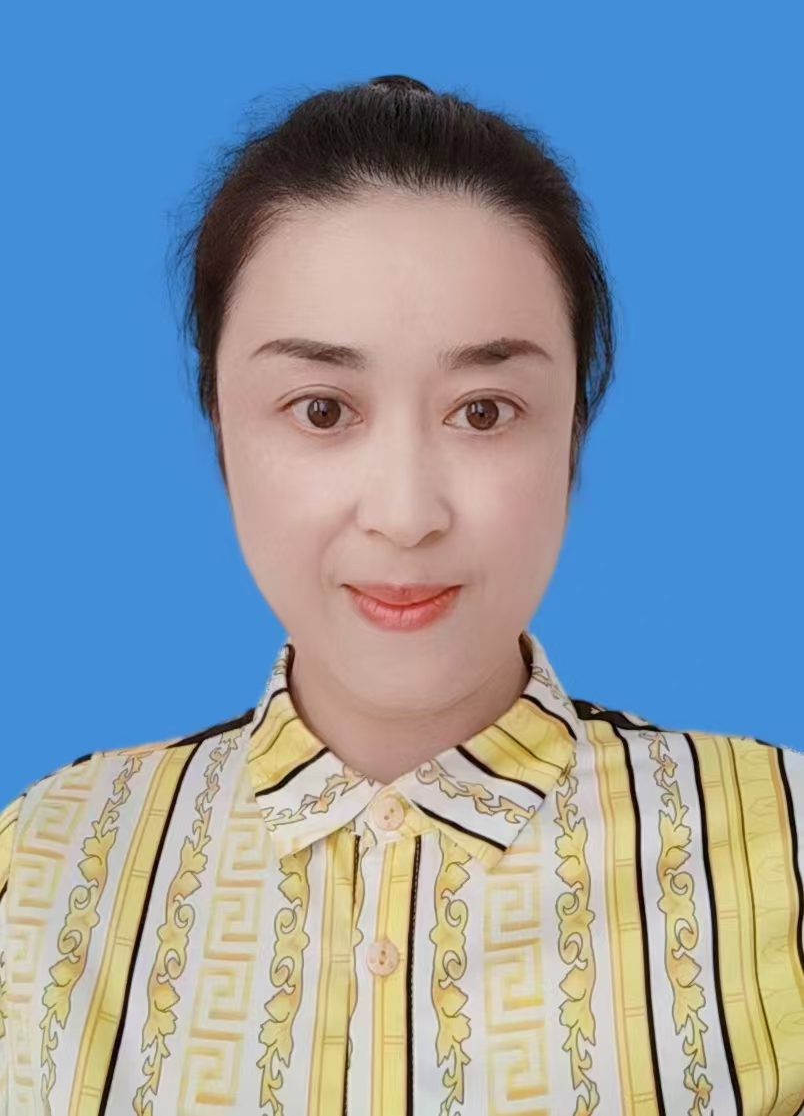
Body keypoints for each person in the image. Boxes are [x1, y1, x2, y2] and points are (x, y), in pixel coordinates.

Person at [1, 74, 801, 1116]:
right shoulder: (41, 863)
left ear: (573, 427)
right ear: (221, 425)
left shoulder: (784, 844)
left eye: (485, 410)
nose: (407, 512)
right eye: (322, 409)